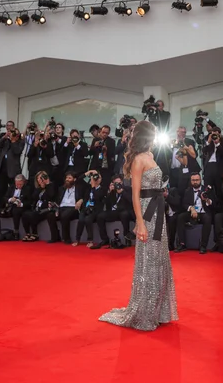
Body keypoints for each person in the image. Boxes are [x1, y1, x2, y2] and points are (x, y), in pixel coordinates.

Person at [99, 120, 178, 331]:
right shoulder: (137, 160)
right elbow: (134, 195)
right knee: (149, 260)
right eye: (152, 135)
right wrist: (140, 223)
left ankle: (158, 310)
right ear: (145, 137)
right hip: (147, 211)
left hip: (158, 210)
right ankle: (144, 312)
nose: (154, 139)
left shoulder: (151, 156)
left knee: (160, 258)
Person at [175, 172, 215, 254]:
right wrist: (191, 208)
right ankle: (182, 244)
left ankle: (203, 246)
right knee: (180, 217)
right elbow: (184, 204)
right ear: (190, 181)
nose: (195, 182)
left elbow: (214, 203)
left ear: (200, 180)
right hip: (192, 212)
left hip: (203, 212)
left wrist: (206, 200)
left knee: (208, 218)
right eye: (193, 180)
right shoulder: (187, 190)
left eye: (197, 180)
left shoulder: (207, 189)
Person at [92, 174, 134, 249]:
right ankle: (104, 239)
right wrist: (109, 192)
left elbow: (131, 200)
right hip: (115, 212)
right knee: (100, 216)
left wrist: (122, 192)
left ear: (122, 182)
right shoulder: (112, 191)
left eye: (119, 183)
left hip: (125, 211)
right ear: (113, 183)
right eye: (116, 183)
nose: (118, 185)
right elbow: (105, 202)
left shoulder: (128, 189)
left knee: (124, 214)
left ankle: (127, 237)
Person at [0, 174, 32, 241]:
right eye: (17, 184)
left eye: (20, 184)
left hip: (19, 208)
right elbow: (4, 198)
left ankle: (16, 232)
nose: (19, 186)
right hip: (9, 208)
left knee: (16, 211)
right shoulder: (11, 187)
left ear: (24, 182)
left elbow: (30, 202)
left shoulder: (27, 189)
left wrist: (21, 204)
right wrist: (10, 199)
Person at [73, 170, 107, 247]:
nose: (96, 179)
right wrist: (90, 172)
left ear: (100, 179)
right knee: (81, 220)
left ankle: (90, 240)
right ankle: (77, 239)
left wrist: (94, 187)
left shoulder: (102, 189)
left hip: (95, 209)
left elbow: (97, 197)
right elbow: (79, 181)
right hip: (86, 208)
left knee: (88, 219)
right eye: (95, 177)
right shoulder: (88, 187)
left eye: (98, 177)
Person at [22, 171, 56, 241]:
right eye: (38, 178)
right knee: (25, 214)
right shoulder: (38, 188)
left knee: (32, 215)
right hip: (37, 208)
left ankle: (35, 233)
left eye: (41, 178)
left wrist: (47, 184)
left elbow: (51, 195)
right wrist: (40, 188)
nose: (39, 180)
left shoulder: (51, 186)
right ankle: (28, 233)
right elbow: (34, 197)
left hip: (46, 209)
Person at [0, 127, 25, 205]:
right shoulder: (6, 140)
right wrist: (5, 137)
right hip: (2, 169)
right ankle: (0, 208)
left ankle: (12, 208)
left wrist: (13, 141)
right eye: (12, 133)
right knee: (1, 190)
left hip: (13, 170)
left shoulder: (20, 142)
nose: (14, 134)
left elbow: (17, 151)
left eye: (15, 133)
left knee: (13, 191)